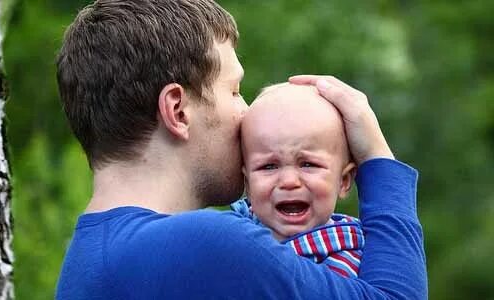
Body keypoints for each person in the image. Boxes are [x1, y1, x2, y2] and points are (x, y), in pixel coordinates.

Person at [54, 0, 427, 299]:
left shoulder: (89, 257)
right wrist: (377, 156)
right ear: (178, 111)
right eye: (234, 91)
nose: (247, 112)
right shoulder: (204, 244)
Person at [231, 83, 364, 278]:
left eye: (308, 164)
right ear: (248, 184)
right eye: (268, 166)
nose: (289, 181)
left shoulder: (349, 259)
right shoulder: (231, 236)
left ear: (343, 181)